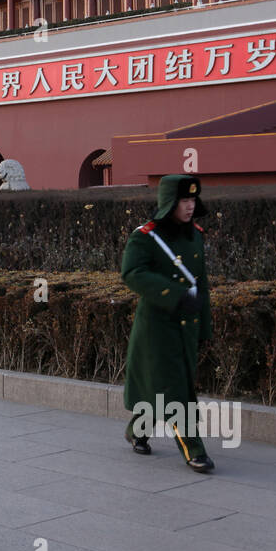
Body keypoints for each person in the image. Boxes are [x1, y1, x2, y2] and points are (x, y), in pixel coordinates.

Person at [120, 174, 215, 473]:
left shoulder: (196, 235)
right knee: (176, 390)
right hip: (157, 328)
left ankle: (137, 430)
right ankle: (194, 449)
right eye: (183, 201)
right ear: (168, 203)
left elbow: (201, 285)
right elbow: (132, 272)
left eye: (192, 200)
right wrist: (174, 295)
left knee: (164, 388)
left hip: (187, 326)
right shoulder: (146, 237)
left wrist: (204, 327)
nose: (189, 207)